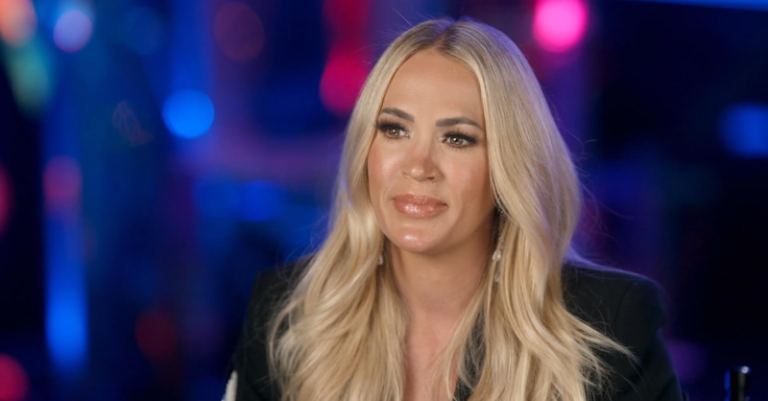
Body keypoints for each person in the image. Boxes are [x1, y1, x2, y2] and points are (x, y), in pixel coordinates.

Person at [225, 17, 688, 401]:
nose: (418, 165)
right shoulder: (286, 313)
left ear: (508, 165)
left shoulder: (613, 323)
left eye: (457, 138)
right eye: (394, 130)